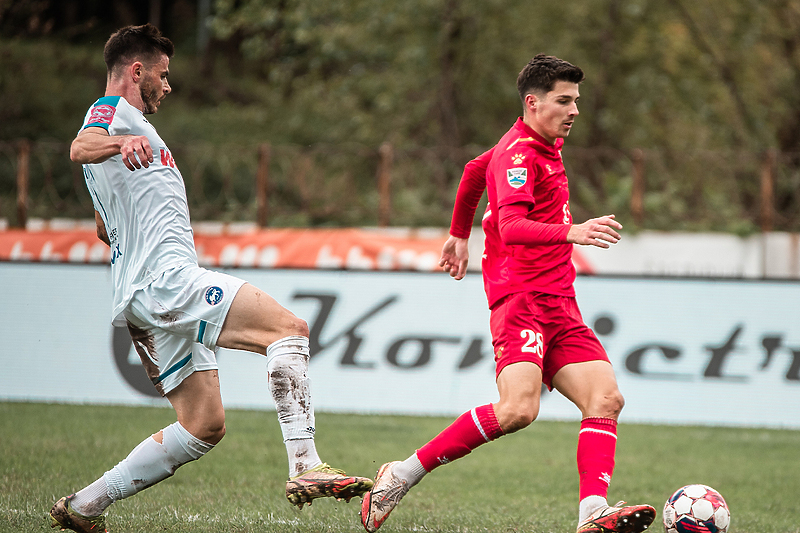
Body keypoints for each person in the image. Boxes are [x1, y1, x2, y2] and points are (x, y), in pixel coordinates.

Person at [49, 23, 372, 533]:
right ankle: (306, 464)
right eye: (162, 74)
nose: (167, 85)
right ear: (137, 72)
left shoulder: (130, 131)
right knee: (288, 331)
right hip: (167, 281)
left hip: (143, 292)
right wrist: (119, 143)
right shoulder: (112, 115)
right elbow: (80, 146)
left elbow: (102, 227)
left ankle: (84, 505)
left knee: (203, 425)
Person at [360, 54, 656, 533]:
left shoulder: (532, 143)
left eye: (576, 100)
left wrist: (459, 233)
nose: (575, 109)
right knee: (519, 409)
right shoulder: (520, 155)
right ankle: (402, 473)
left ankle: (592, 515)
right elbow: (515, 227)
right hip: (520, 300)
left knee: (605, 399)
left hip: (559, 302)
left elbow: (476, 169)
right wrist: (572, 233)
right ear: (533, 103)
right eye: (565, 100)